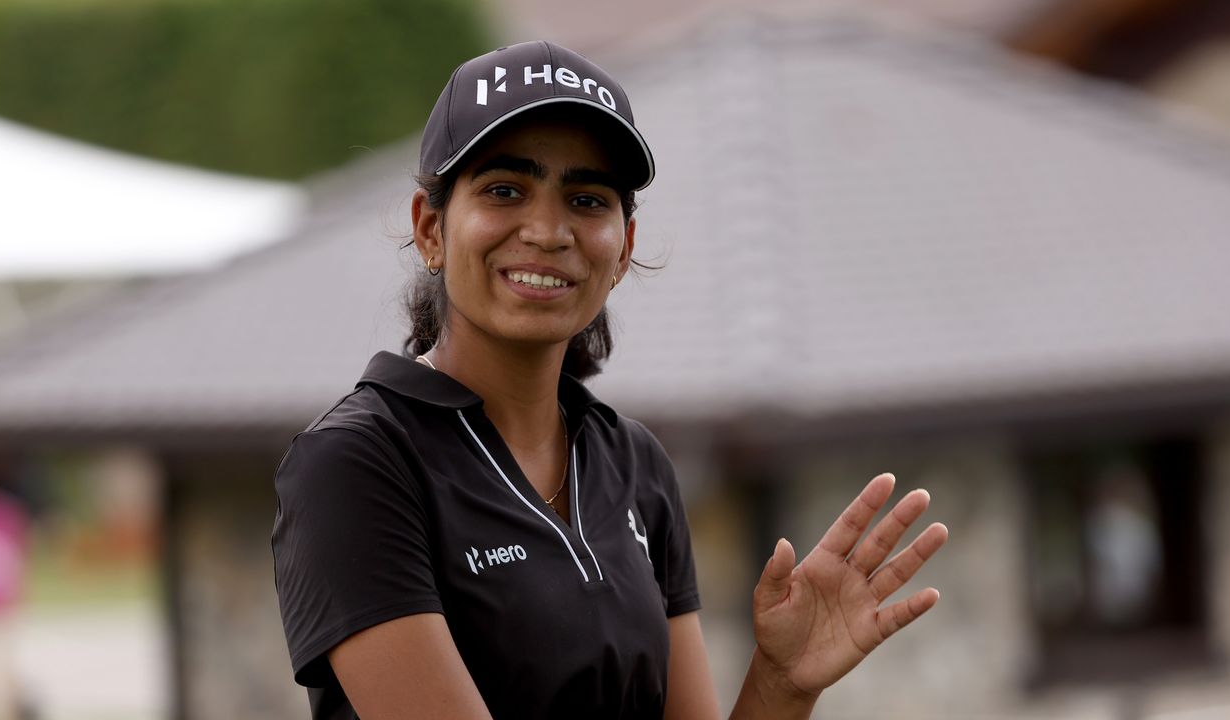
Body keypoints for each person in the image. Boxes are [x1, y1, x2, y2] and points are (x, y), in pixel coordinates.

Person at [271, 40, 949, 720]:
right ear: (431, 230)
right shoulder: (355, 465)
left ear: (622, 247)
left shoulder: (636, 466)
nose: (547, 230)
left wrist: (782, 683)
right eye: (505, 190)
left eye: (587, 199)